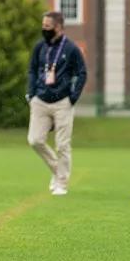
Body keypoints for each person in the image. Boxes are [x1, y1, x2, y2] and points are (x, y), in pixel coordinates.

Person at [26, 11, 87, 196]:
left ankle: (61, 183)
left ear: (59, 27)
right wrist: (31, 94)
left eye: (47, 27)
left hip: (62, 103)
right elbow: (32, 70)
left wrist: (73, 97)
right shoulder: (40, 47)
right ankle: (57, 171)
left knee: (62, 145)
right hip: (40, 101)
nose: (44, 29)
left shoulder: (71, 49)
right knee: (35, 140)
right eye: (43, 26)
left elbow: (82, 73)